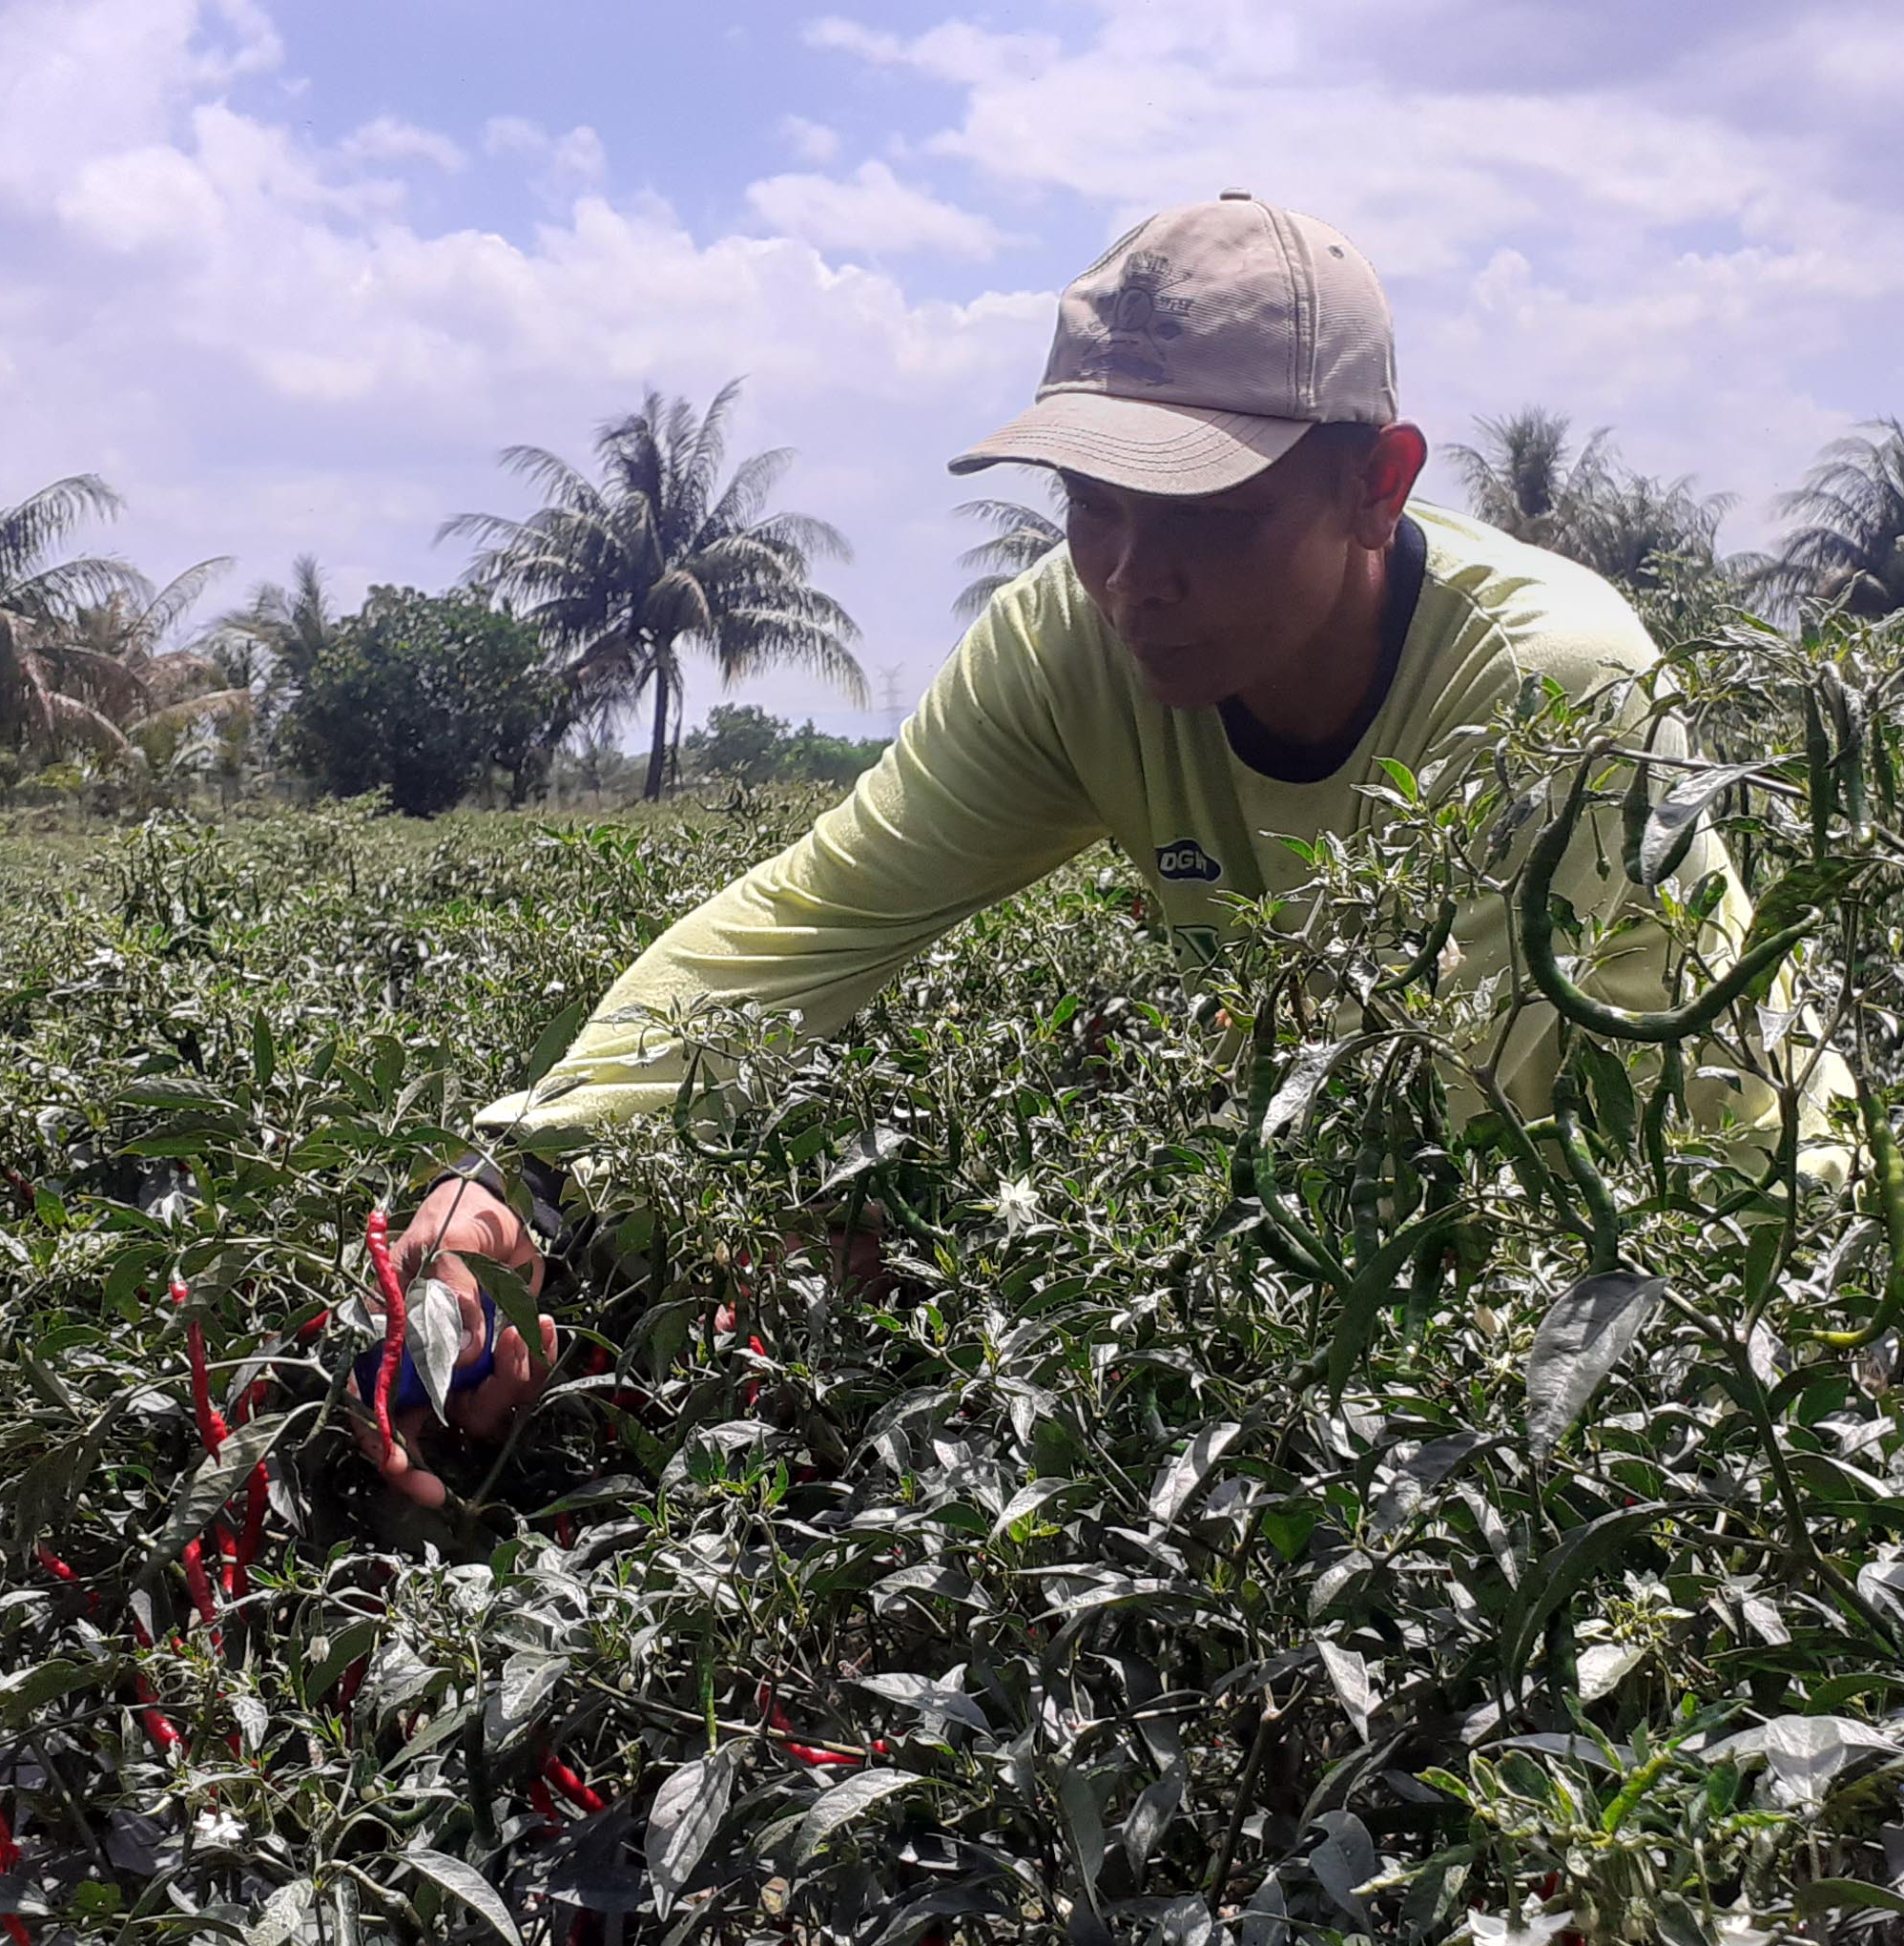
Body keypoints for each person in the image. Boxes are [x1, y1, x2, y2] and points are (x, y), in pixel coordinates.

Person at [360, 192, 1799, 1507]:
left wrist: (937, 1274)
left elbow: (1411, 1147)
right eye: (1089, 505)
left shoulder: (1546, 683)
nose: (1129, 578)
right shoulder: (1073, 634)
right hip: (1404, 1310)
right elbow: (820, 912)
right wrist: (519, 1176)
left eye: (1207, 521)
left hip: (1721, 1306)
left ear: (1379, 484)